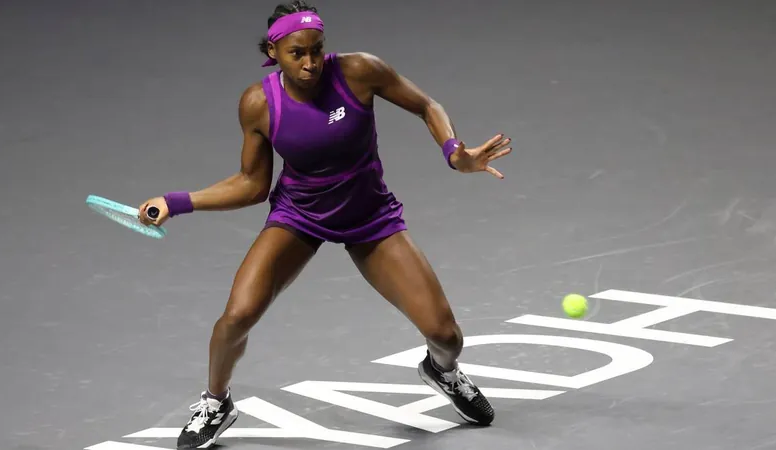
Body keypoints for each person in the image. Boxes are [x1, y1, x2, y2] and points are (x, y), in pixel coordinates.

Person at [138, 1, 512, 448]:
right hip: (300, 217)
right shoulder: (259, 104)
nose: (310, 63)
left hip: (370, 216)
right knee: (236, 318)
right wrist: (176, 202)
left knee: (446, 335)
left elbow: (426, 105)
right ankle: (216, 402)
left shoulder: (359, 71)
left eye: (316, 49)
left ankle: (442, 371)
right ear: (273, 51)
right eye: (297, 53)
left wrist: (454, 152)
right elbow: (252, 184)